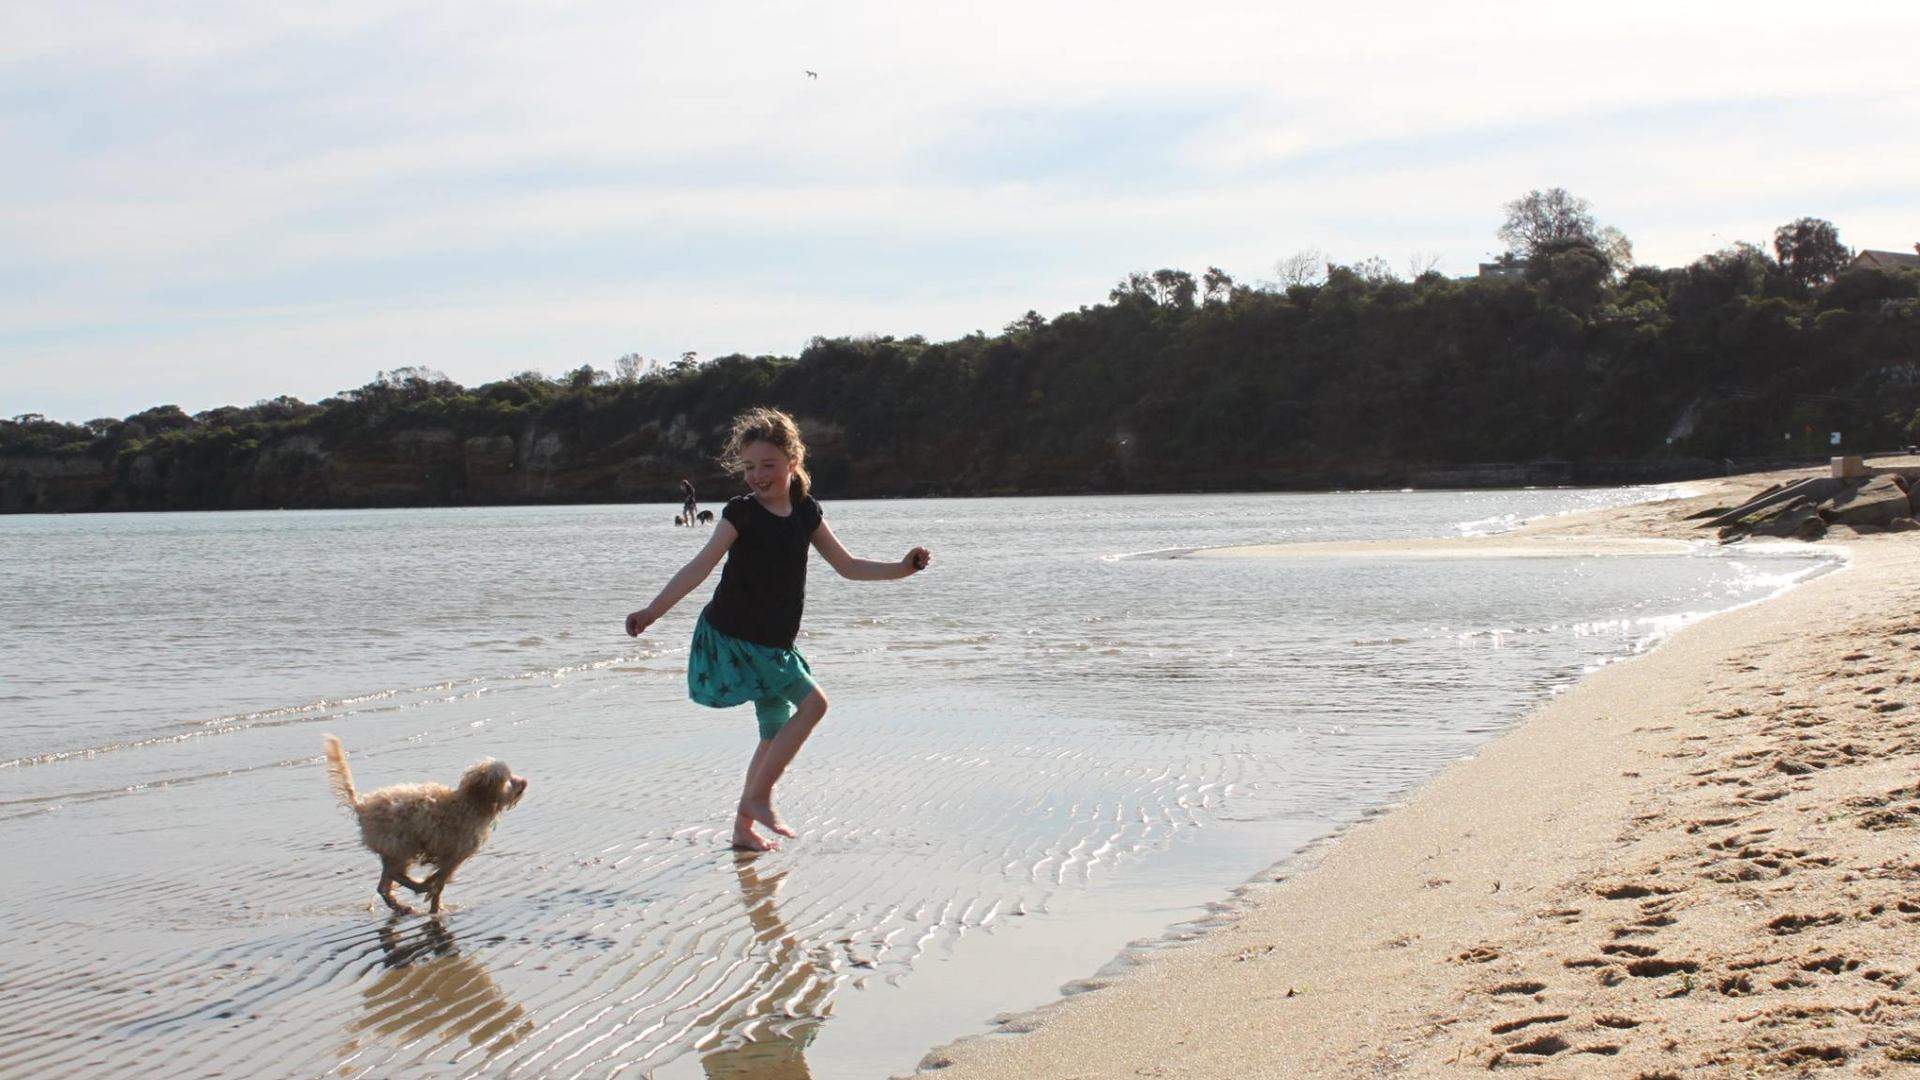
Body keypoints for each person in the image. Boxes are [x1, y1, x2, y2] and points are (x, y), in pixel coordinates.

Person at [627, 407, 931, 851]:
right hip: (736, 636)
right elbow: (699, 567)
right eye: (749, 467)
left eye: (768, 465)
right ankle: (759, 799)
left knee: (773, 731)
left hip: (773, 643)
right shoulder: (741, 514)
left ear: (793, 461)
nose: (757, 476)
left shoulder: (806, 511)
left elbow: (847, 566)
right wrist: (653, 611)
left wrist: (902, 569)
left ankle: (742, 828)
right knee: (814, 705)